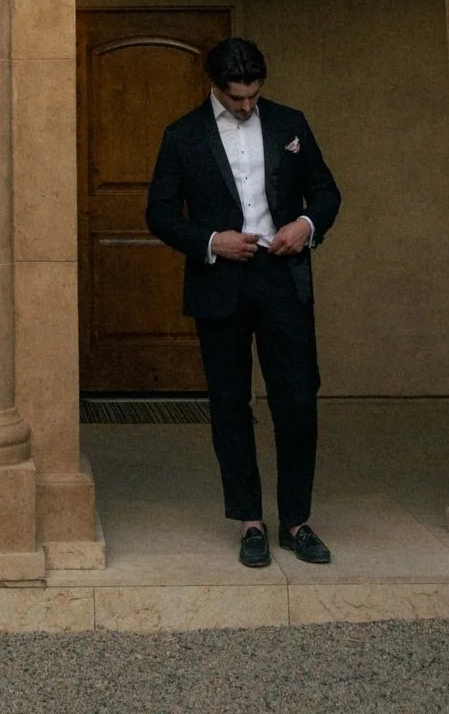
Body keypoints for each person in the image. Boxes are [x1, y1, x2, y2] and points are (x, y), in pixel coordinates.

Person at [145, 36, 341, 569]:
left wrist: (305, 225)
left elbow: (326, 193)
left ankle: (297, 521)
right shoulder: (182, 136)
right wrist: (211, 241)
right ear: (216, 87)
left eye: (254, 96)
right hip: (220, 281)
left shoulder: (290, 123)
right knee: (230, 405)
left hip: (283, 277)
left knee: (298, 399)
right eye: (238, 99)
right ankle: (249, 521)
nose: (248, 106)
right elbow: (159, 214)